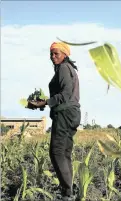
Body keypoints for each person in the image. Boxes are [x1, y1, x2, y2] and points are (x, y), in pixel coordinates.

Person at [29, 42, 81, 201]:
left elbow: (65, 94)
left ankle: (67, 193)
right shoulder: (68, 69)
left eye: (56, 54)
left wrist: (45, 102)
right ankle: (70, 191)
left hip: (65, 114)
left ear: (65, 54)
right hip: (71, 113)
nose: (53, 57)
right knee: (64, 153)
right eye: (51, 54)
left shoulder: (64, 68)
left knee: (57, 152)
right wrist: (44, 103)